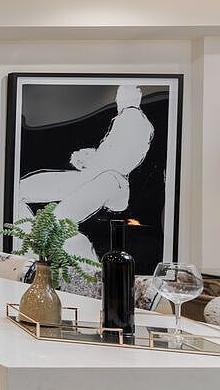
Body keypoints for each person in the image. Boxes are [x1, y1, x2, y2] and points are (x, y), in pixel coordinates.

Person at [15, 84, 153, 260]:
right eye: (120, 93)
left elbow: (121, 160)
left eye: (124, 93)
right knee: (20, 190)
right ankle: (39, 239)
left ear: (136, 95)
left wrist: (93, 160)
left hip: (112, 181)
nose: (119, 97)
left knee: (55, 213)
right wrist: (89, 158)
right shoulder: (127, 119)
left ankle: (44, 235)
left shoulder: (132, 119)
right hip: (96, 176)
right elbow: (113, 155)